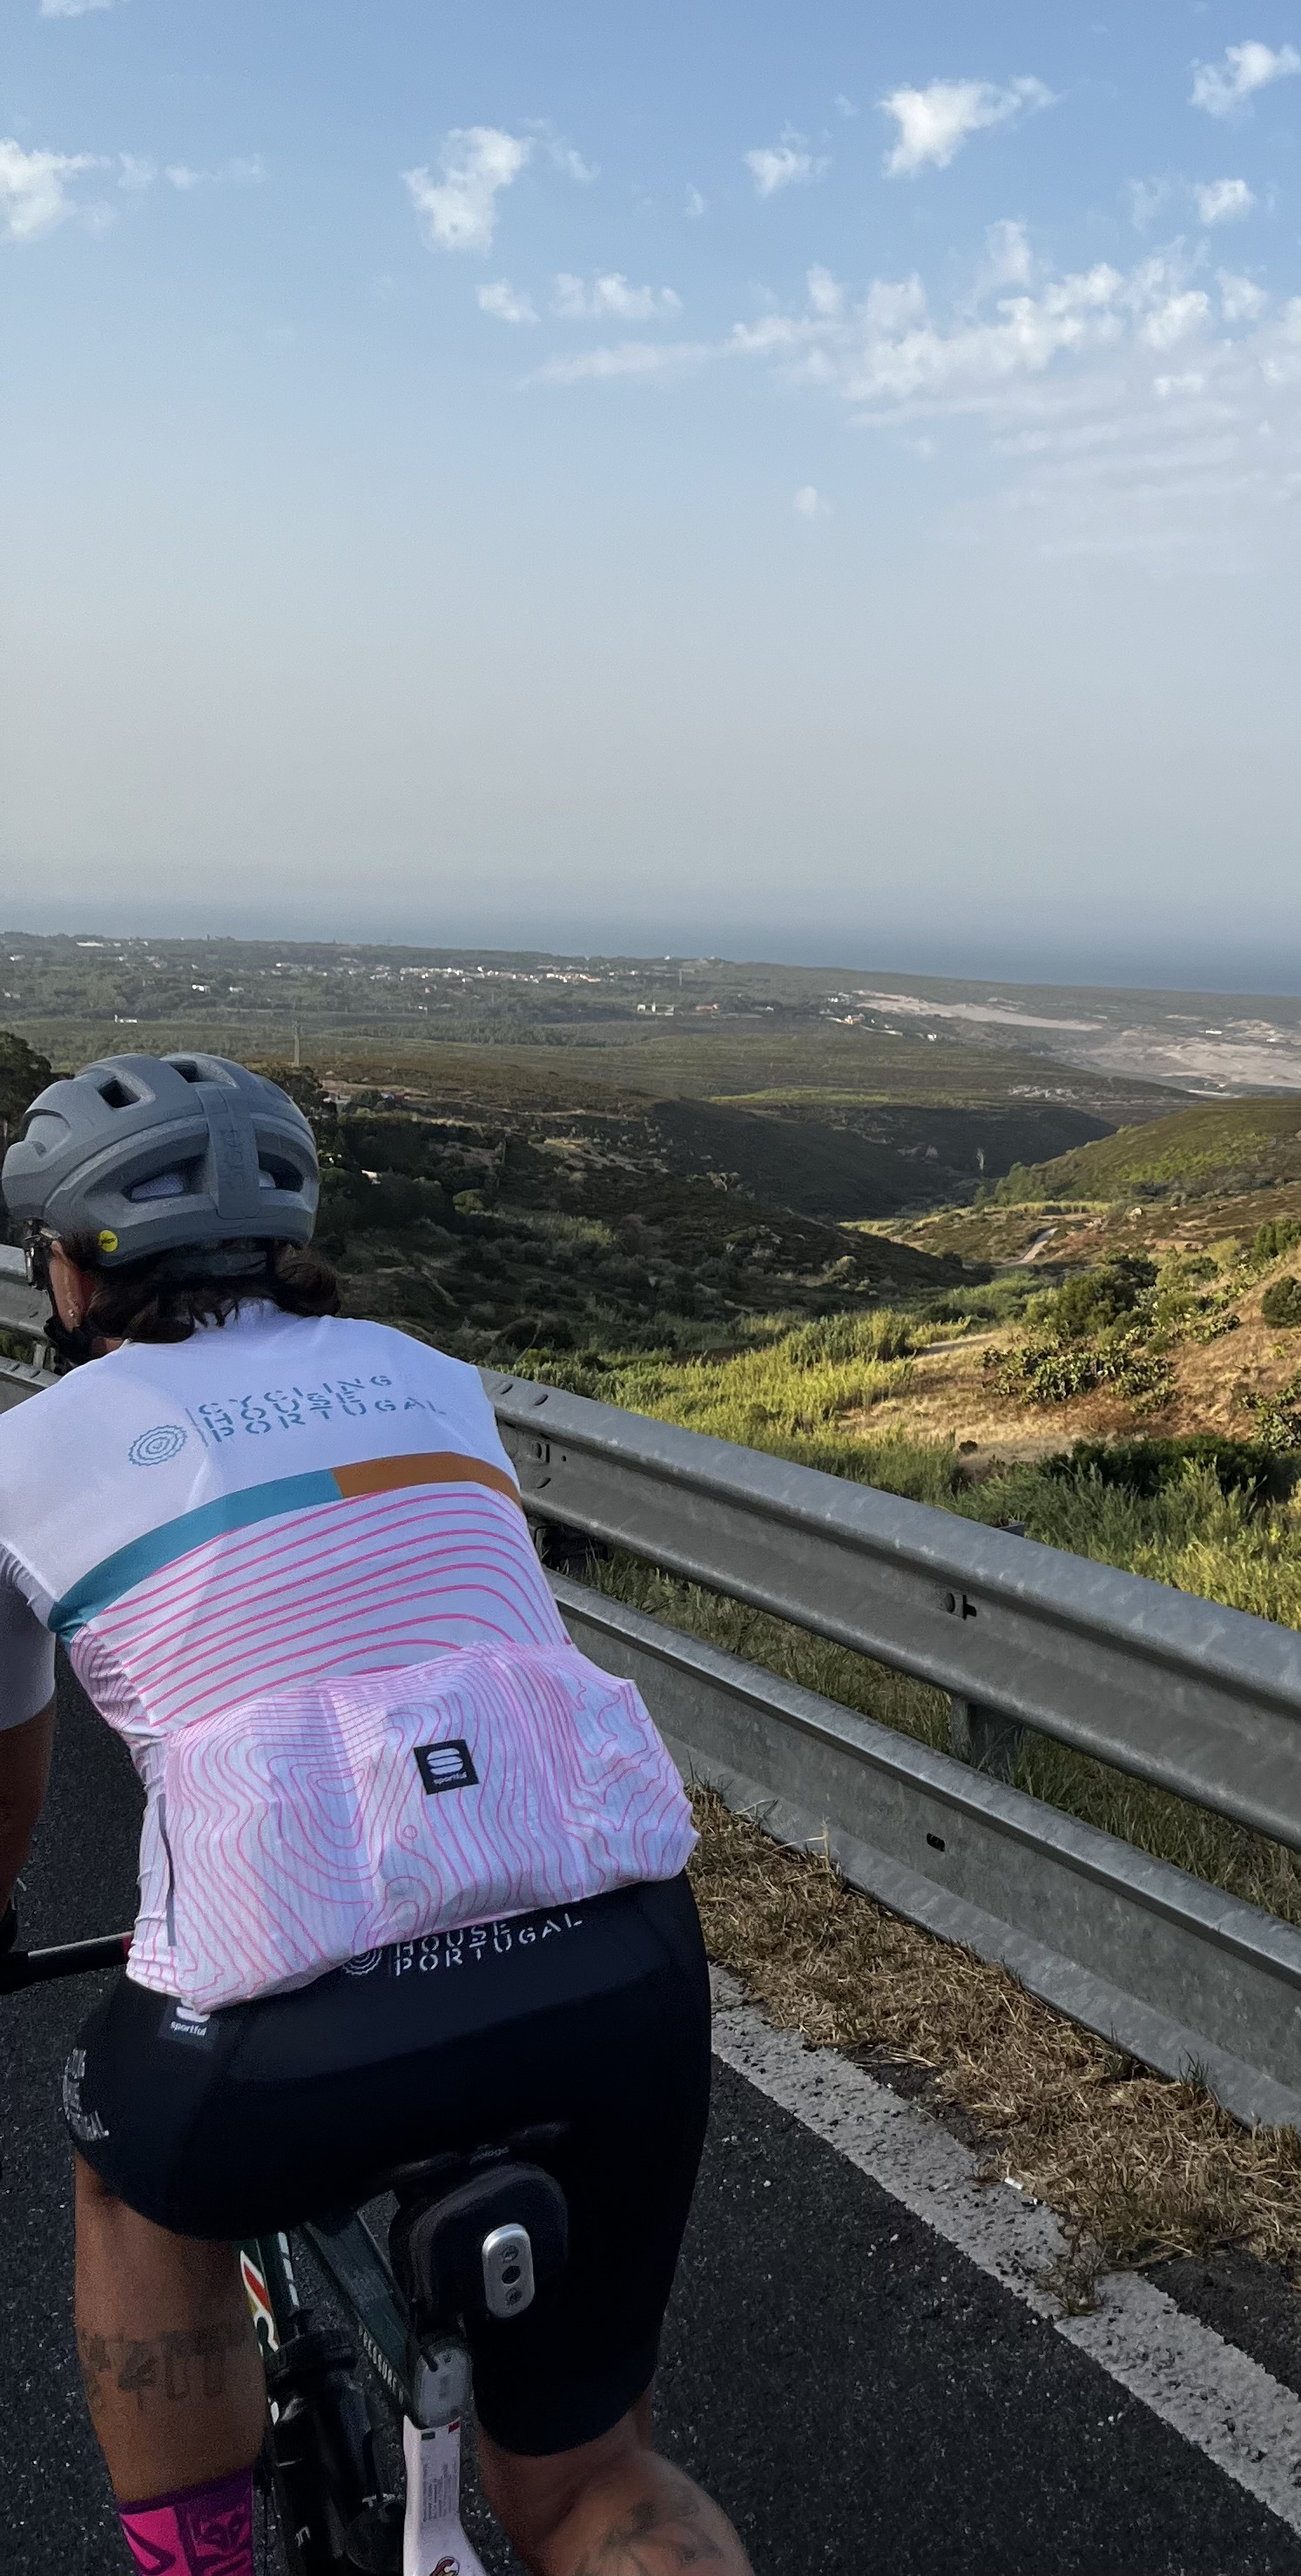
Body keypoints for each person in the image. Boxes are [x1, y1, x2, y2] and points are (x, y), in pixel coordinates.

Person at [0, 1052, 753, 2576]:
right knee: (599, 2476)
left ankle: (197, 2562)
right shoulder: (432, 1380)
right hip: (619, 1959)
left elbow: (6, 1799)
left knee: (131, 2182)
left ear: (69, 1271)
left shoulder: (24, 1459)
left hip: (291, 2013)